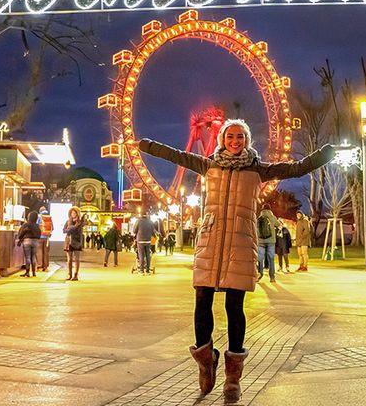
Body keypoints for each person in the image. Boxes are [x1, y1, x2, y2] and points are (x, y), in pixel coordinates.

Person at [139, 119, 334, 400]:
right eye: (230, 136)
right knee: (202, 300)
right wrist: (148, 146)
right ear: (221, 139)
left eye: (240, 136)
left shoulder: (258, 169)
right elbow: (177, 155)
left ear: (247, 139)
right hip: (211, 239)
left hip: (241, 242)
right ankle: (206, 361)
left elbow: (295, 168)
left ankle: (233, 377)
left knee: (234, 306)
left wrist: (324, 155)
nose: (235, 140)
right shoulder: (209, 165)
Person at [257, 203, 279, 283]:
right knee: (271, 259)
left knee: (260, 259)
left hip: (261, 242)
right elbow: (278, 225)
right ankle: (272, 277)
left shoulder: (259, 218)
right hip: (271, 241)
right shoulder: (272, 217)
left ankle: (259, 275)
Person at [62, 207, 87, 281]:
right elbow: (64, 230)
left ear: (77, 213)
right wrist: (70, 229)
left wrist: (71, 228)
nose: (73, 214)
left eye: (75, 213)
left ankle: (75, 275)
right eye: (72, 213)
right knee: (69, 259)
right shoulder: (68, 221)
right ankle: (69, 274)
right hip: (69, 241)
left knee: (77, 259)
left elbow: (78, 229)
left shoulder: (79, 222)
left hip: (77, 241)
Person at [16, 210, 41, 277]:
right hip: (35, 241)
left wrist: (20, 238)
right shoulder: (37, 226)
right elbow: (39, 235)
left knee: (27, 257)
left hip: (27, 241)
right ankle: (34, 273)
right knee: (33, 257)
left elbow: (21, 234)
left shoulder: (26, 224)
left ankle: (27, 272)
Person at [133, 211, 157, 275]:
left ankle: (141, 271)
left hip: (140, 240)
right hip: (148, 240)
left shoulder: (138, 221)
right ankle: (147, 271)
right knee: (148, 255)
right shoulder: (150, 222)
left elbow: (134, 230)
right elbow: (153, 231)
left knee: (141, 255)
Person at [38, 206, 53, 271]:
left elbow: (37, 225)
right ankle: (45, 266)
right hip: (47, 238)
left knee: (40, 251)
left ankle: (40, 266)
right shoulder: (49, 217)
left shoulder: (39, 217)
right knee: (46, 252)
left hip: (40, 237)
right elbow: (53, 227)